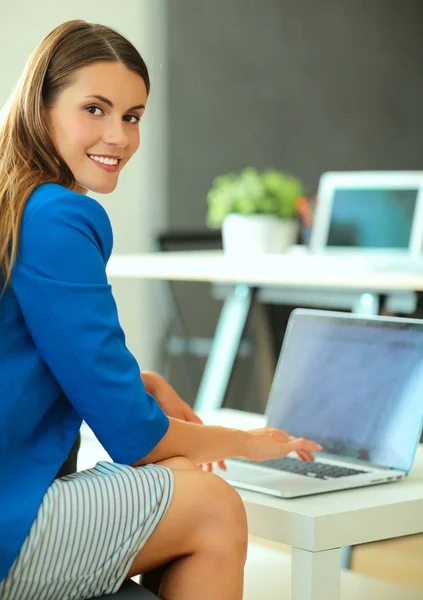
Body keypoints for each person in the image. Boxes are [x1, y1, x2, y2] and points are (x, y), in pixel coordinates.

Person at [0, 20, 322, 600]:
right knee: (214, 505)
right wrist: (248, 441)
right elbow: (131, 436)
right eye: (94, 109)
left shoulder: (15, 202)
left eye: (132, 116)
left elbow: (31, 361)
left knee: (176, 478)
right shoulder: (58, 214)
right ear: (39, 107)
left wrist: (143, 381)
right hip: (7, 524)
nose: (118, 136)